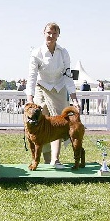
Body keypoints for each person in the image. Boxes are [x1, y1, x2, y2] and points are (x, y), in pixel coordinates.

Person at [26, 22, 80, 169]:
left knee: (58, 123)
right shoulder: (36, 52)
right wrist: (30, 99)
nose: (51, 35)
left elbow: (69, 76)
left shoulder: (64, 52)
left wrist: (74, 99)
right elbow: (31, 77)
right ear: (44, 33)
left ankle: (55, 160)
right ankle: (45, 158)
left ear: (58, 35)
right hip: (41, 87)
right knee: (40, 123)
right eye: (49, 32)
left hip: (59, 88)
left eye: (54, 33)